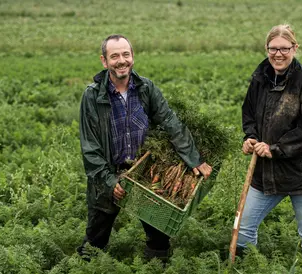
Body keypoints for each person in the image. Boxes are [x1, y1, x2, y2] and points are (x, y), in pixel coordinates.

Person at [77, 34, 212, 261]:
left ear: (133, 56)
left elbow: (170, 122)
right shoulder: (92, 96)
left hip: (143, 174)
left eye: (126, 54)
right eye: (115, 56)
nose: (121, 60)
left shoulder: (145, 88)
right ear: (104, 61)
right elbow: (90, 149)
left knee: (158, 234)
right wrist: (110, 182)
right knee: (95, 239)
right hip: (109, 176)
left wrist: (194, 159)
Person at [237, 24, 302, 266]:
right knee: (244, 227)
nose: (278, 54)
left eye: (284, 49)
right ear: (266, 49)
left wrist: (274, 148)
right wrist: (250, 137)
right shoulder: (260, 78)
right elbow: (248, 112)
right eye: (273, 49)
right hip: (267, 172)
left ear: (295, 48)